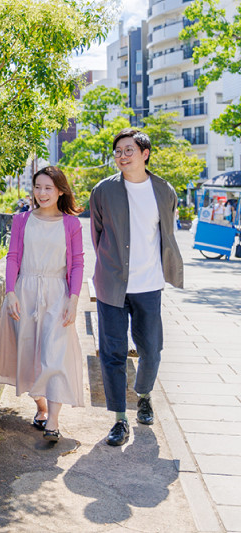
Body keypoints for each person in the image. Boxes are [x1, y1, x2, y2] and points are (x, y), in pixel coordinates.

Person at [90, 128, 183, 447]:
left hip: (149, 284)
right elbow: (98, 235)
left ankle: (143, 395)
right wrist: (108, 268)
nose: (122, 156)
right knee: (112, 354)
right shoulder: (103, 191)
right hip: (112, 285)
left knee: (152, 350)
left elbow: (168, 232)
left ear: (145, 154)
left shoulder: (163, 190)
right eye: (117, 152)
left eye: (128, 150)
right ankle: (119, 419)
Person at [0, 166, 85, 444]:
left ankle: (53, 421)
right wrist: (10, 292)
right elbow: (13, 257)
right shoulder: (22, 220)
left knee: (54, 356)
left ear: (61, 190)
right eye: (38, 187)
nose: (42, 193)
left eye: (48, 188)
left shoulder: (71, 224)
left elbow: (77, 264)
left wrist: (73, 299)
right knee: (29, 359)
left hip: (57, 294)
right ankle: (41, 406)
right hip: (26, 292)